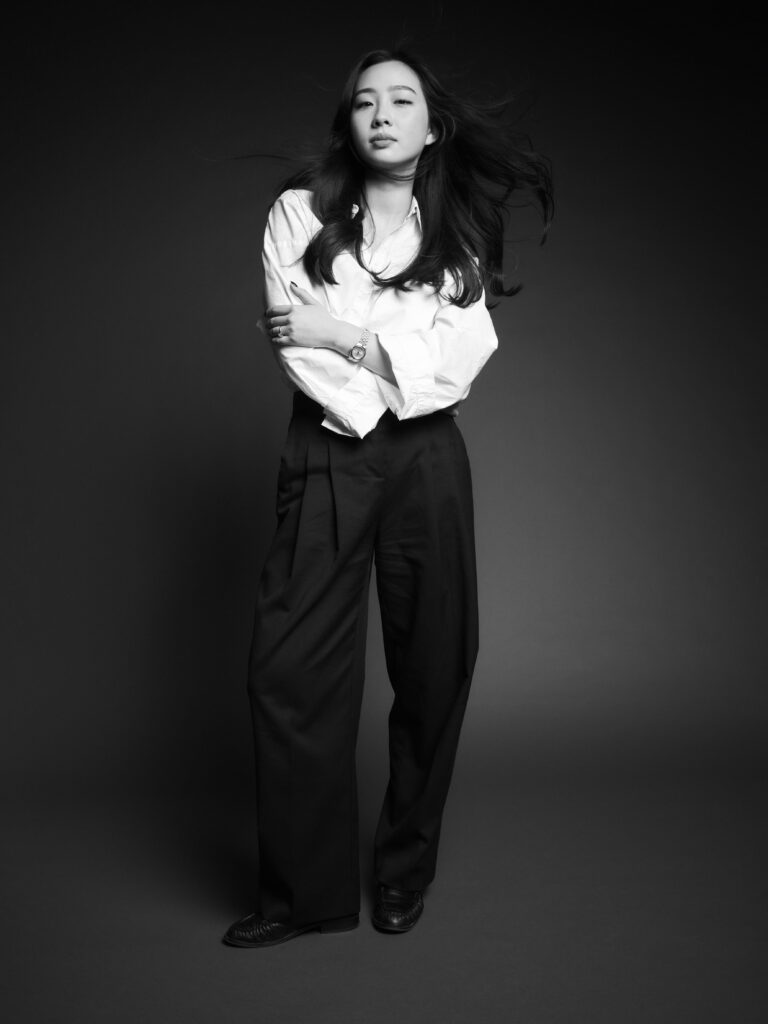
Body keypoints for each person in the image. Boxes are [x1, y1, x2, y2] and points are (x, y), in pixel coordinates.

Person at [223, 48, 552, 948]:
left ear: (432, 128)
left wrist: (348, 334)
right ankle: (303, 896)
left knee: (437, 666)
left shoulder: (458, 233)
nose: (381, 114)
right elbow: (297, 345)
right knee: (290, 673)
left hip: (428, 462)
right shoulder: (299, 214)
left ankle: (404, 871)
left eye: (401, 100)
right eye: (366, 101)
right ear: (349, 123)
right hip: (328, 448)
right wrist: (391, 363)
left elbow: (461, 365)